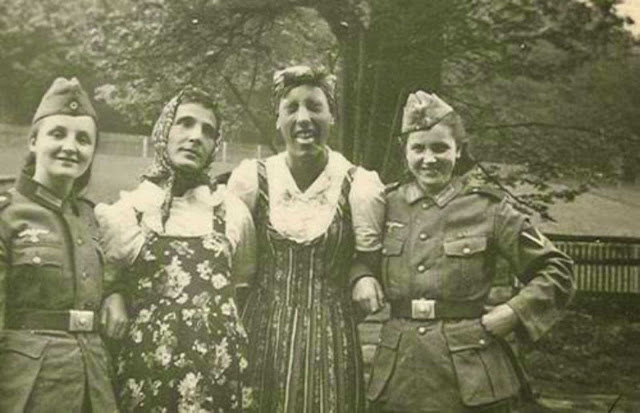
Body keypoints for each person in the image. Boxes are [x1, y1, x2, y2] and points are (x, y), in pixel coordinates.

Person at [366, 91, 575, 412]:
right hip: (399, 373)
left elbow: (557, 269)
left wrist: (515, 312)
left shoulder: (489, 208)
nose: (429, 158)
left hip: (469, 373)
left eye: (440, 147)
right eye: (418, 148)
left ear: (458, 150)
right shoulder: (384, 204)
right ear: (404, 152)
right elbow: (355, 258)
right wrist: (361, 276)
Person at [227, 65, 386, 413]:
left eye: (315, 107)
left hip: (331, 337)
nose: (303, 118)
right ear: (278, 119)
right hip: (261, 330)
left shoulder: (358, 185)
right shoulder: (252, 179)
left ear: (332, 117)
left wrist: (362, 275)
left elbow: (368, 260)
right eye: (292, 108)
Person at [95, 86, 256, 412]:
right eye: (185, 123)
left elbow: (242, 282)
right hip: (148, 372)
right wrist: (113, 294)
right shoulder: (130, 210)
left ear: (215, 145)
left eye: (207, 131)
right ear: (164, 131)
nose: (195, 136)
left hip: (218, 374)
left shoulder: (231, 212)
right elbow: (106, 283)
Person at [0, 77, 123, 413]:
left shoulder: (93, 217)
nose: (71, 146)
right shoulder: (7, 214)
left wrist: (115, 294)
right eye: (58, 134)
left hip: (92, 383)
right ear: (33, 140)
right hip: (28, 386)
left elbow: (109, 277)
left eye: (83, 139)